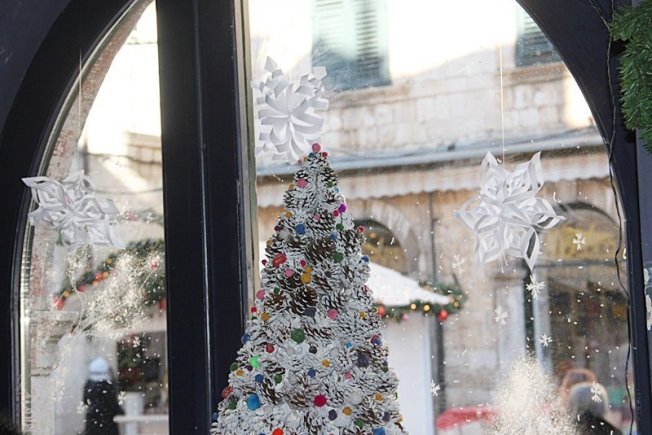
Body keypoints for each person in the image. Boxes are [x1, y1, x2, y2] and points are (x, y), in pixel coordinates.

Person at [83, 357, 123, 435]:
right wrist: (120, 412)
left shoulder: (89, 384)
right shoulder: (106, 385)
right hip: (107, 421)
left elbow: (85, 401)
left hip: (92, 420)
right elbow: (112, 403)